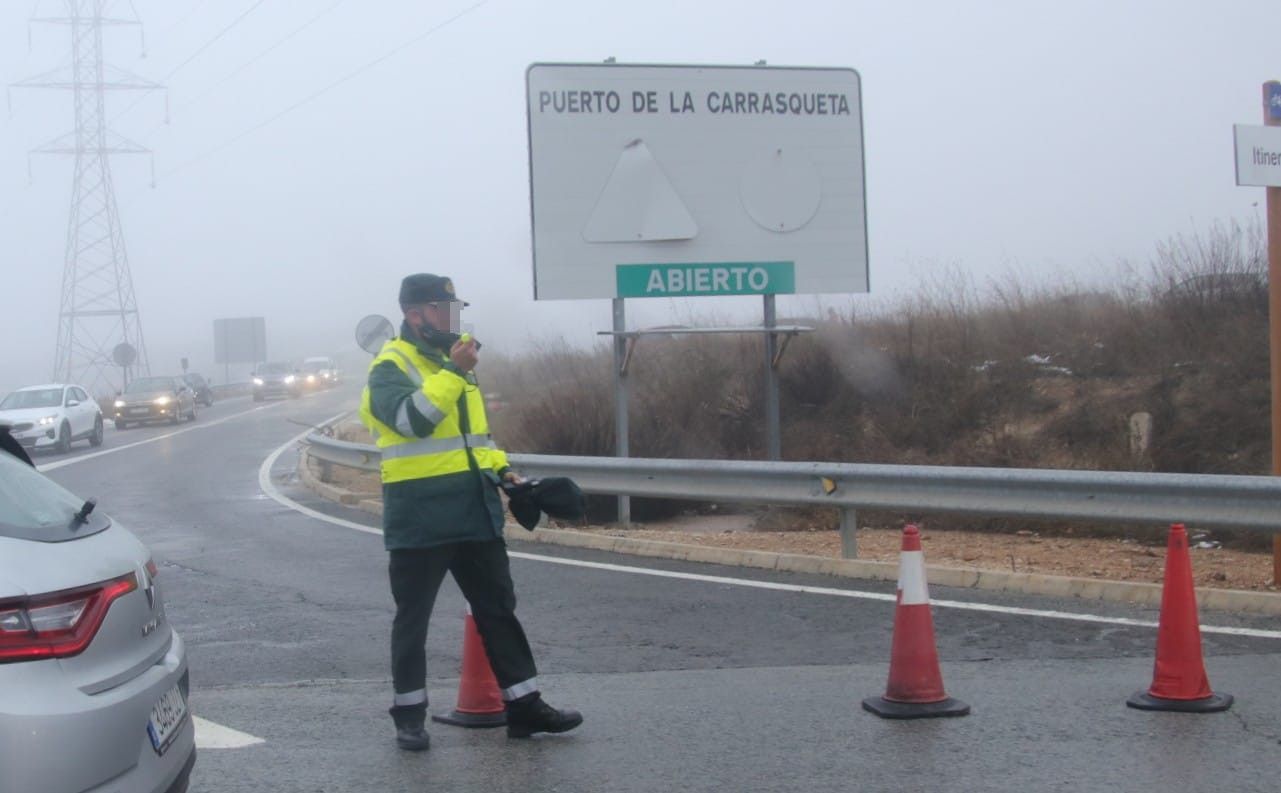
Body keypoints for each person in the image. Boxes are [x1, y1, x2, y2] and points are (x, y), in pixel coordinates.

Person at [359, 273, 582, 751]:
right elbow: (412, 422)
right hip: (419, 516)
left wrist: (506, 474)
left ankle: (524, 707)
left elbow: (475, 440)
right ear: (416, 314)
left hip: (473, 511)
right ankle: (409, 715)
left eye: (455, 308)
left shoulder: (454, 366)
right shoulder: (389, 366)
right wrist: (453, 374)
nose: (454, 318)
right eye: (445, 308)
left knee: (498, 610)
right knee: (413, 618)